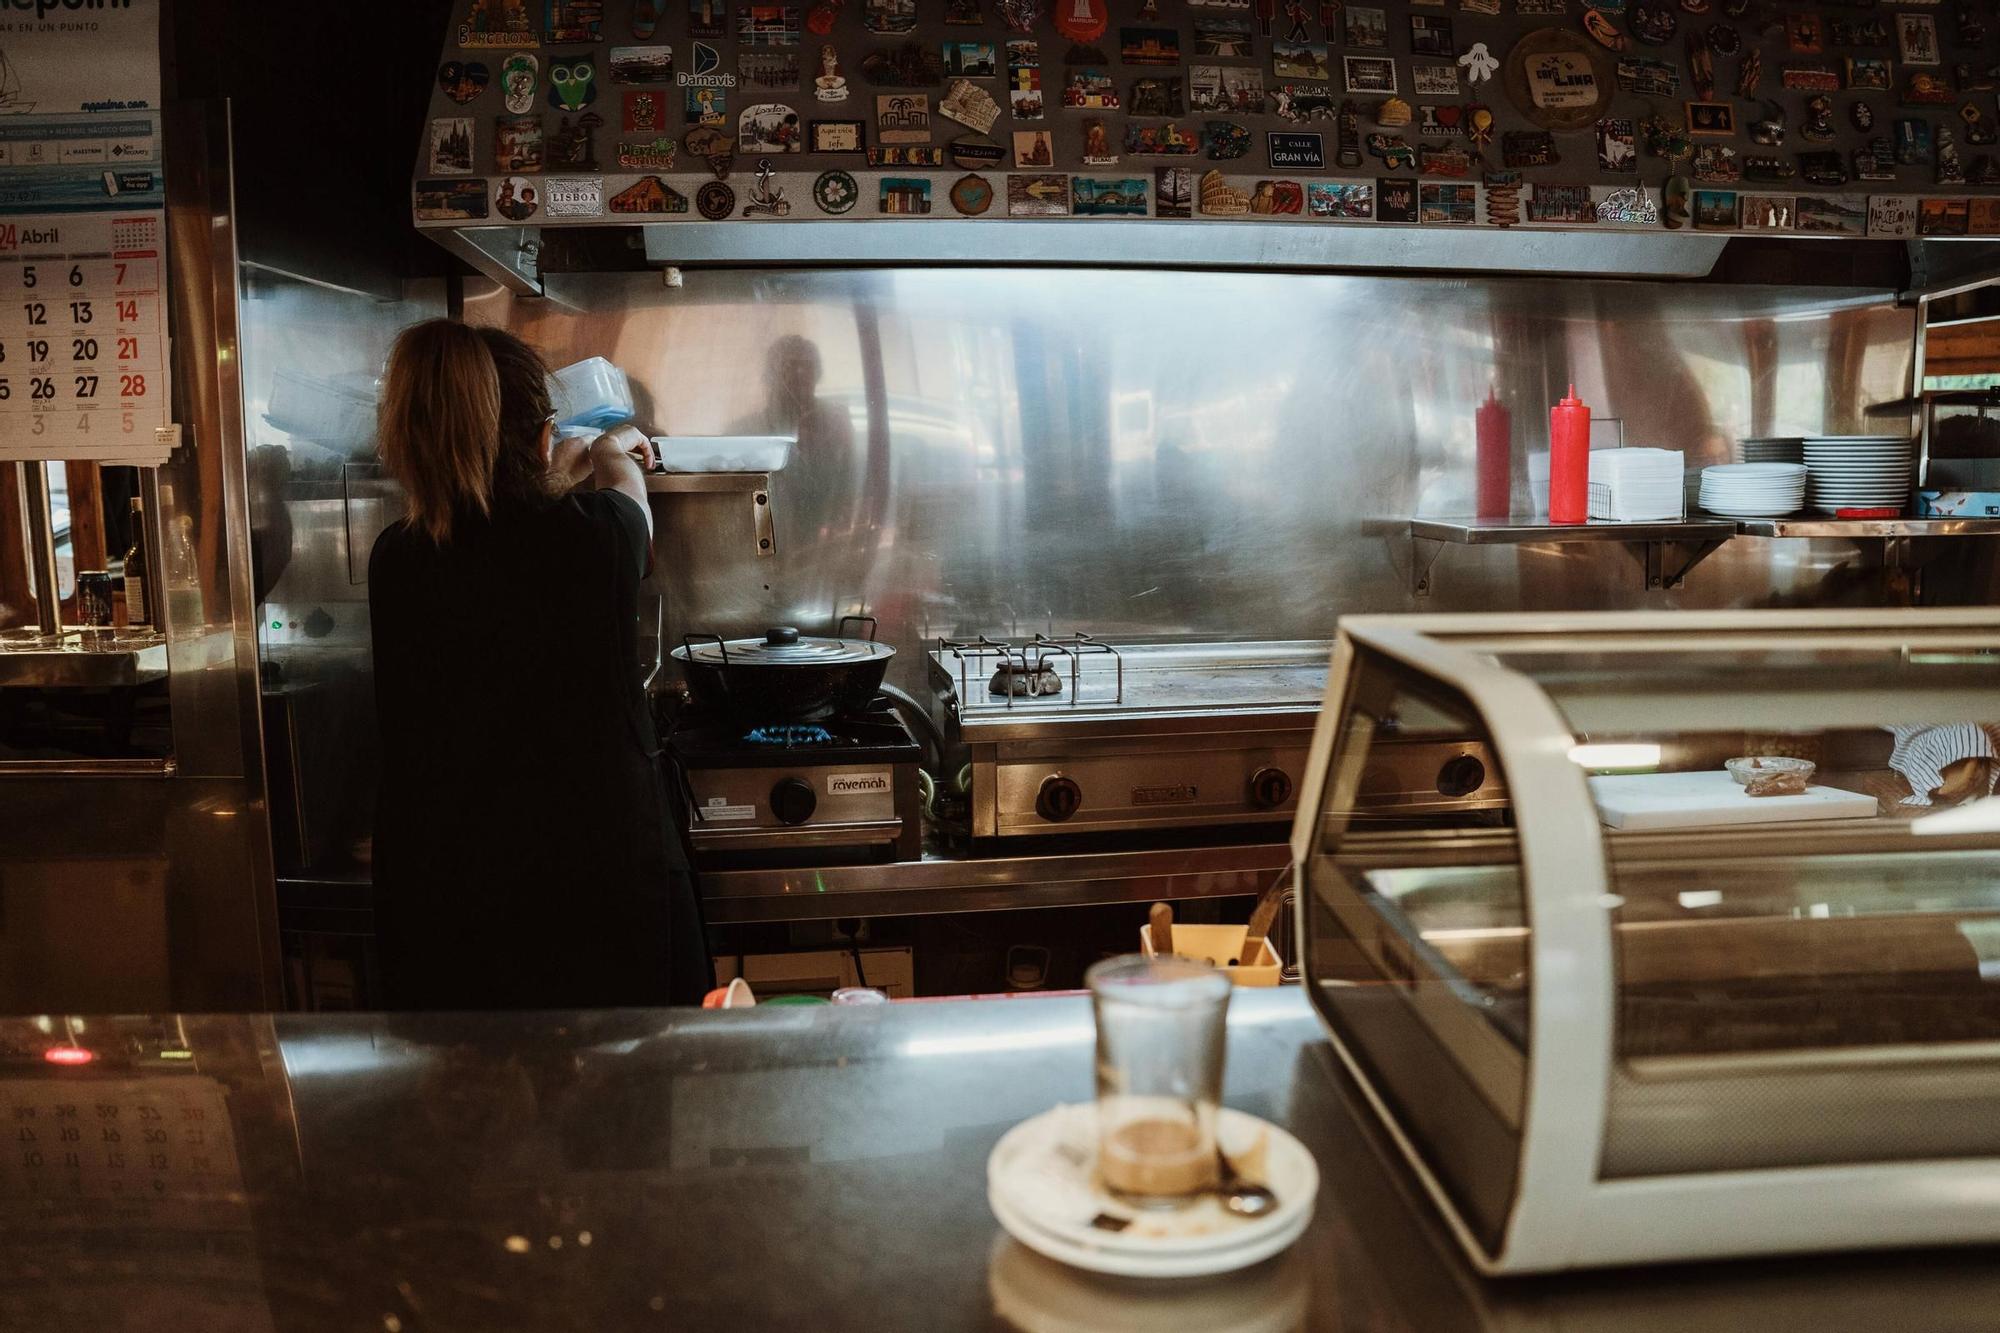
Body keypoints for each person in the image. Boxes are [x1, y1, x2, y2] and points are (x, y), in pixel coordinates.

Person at [369, 319, 709, 1009]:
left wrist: (546, 466)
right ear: (541, 434)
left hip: (450, 899)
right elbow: (631, 508)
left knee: (472, 1106)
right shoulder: (595, 542)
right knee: (627, 1100)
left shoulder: (396, 558)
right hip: (594, 894)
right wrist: (615, 445)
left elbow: (491, 530)